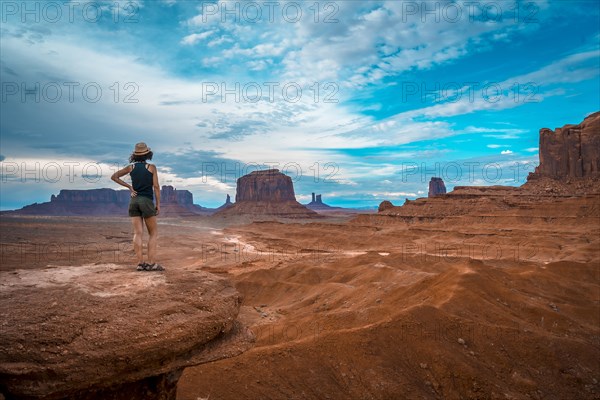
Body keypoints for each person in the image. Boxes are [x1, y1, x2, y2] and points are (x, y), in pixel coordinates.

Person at [111, 142, 164, 271]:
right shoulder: (151, 167)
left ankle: (140, 263)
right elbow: (156, 187)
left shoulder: (131, 168)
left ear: (135, 155)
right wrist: (158, 204)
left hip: (134, 201)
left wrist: (129, 187)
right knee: (153, 233)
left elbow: (114, 176)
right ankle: (152, 264)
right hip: (146, 201)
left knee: (137, 233)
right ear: (147, 154)